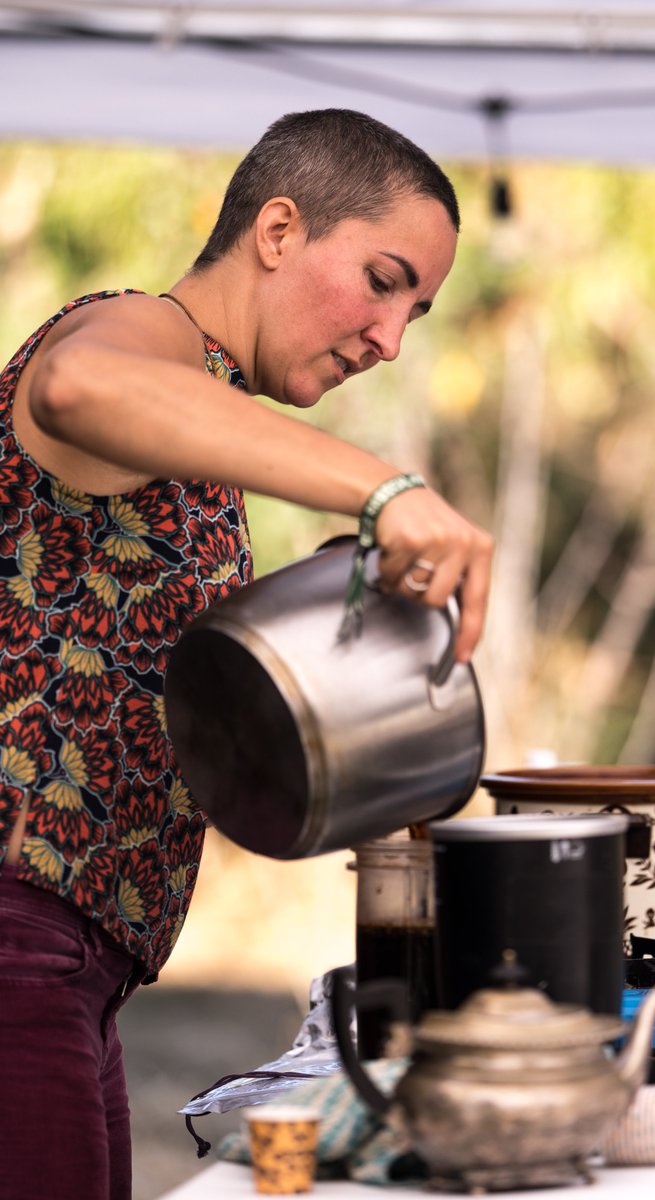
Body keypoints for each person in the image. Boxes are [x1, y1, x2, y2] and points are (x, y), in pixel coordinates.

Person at [0, 108, 493, 1200]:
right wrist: (384, 487)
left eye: (415, 310)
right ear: (277, 229)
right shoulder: (139, 334)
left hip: (78, 965)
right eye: (381, 279)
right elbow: (78, 386)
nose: (390, 338)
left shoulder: (203, 422)